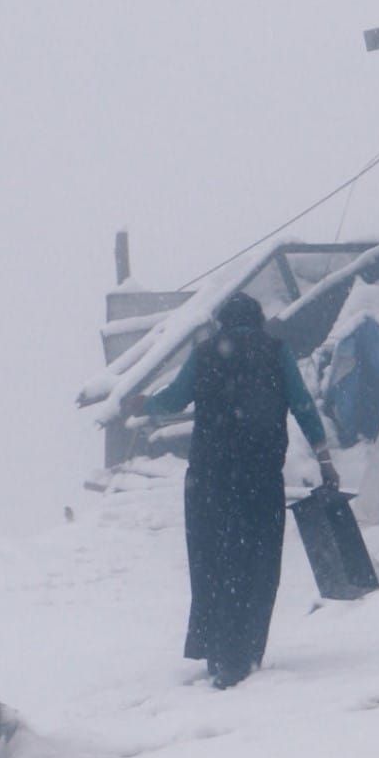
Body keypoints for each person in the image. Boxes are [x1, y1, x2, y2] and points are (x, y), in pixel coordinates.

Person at [131, 293, 339, 688]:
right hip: (259, 480)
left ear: (222, 323)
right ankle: (245, 652)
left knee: (214, 564)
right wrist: (325, 460)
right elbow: (303, 406)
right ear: (257, 320)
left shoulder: (207, 352)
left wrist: (146, 403)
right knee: (257, 565)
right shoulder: (275, 352)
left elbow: (174, 398)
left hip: (210, 480)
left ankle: (218, 652)